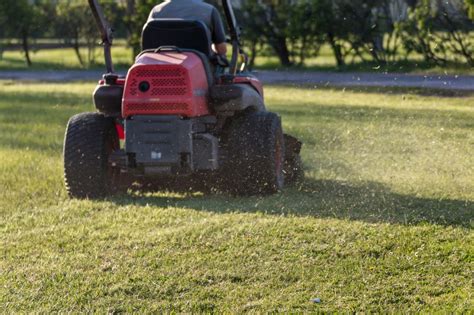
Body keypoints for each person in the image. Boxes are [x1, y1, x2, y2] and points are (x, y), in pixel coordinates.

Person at [148, 0, 228, 56]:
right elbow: (221, 50)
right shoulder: (210, 10)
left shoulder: (156, 11)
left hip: (163, 68)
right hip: (200, 70)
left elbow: (149, 47)